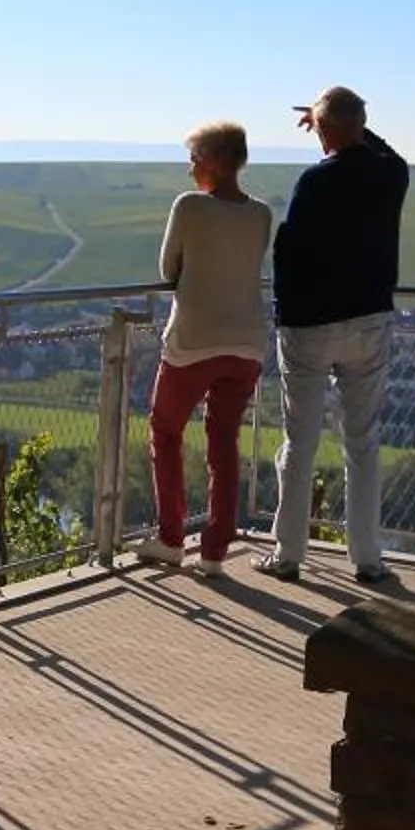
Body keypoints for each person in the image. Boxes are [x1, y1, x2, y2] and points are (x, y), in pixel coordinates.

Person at [257, 87, 409, 586]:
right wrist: (345, 123)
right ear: (362, 126)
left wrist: (285, 315)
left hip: (311, 326)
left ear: (323, 131)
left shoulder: (315, 181)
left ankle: (288, 555)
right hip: (370, 321)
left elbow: (290, 252)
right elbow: (386, 152)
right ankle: (368, 559)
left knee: (299, 443)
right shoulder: (392, 175)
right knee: (362, 444)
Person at [137, 121, 274, 574]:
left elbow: (166, 266)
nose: (190, 168)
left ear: (214, 161)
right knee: (224, 442)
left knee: (166, 431)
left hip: (193, 340)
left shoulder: (190, 206)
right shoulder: (261, 214)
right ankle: (215, 552)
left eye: (195, 158)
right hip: (247, 343)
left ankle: (171, 538)